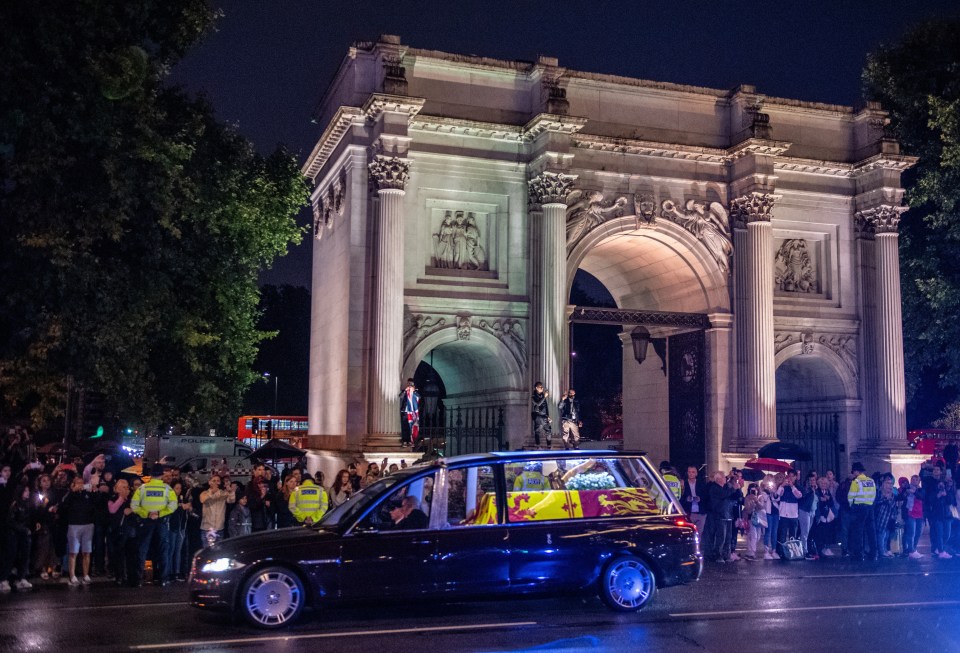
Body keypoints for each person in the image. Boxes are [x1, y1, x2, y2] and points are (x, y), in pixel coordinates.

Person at [131, 464, 178, 586]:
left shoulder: (142, 488)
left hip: (146, 521)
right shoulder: (167, 489)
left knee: (142, 549)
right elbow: (173, 505)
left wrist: (146, 514)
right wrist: (160, 513)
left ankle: (138, 580)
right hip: (162, 521)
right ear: (162, 475)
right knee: (163, 549)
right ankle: (163, 578)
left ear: (150, 475)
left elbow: (134, 505)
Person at [58, 475, 97, 585]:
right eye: (78, 483)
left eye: (82, 483)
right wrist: (72, 492)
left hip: (88, 524)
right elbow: (63, 505)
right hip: (74, 525)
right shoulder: (70, 494)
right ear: (73, 484)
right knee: (73, 552)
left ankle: (85, 575)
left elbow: (95, 505)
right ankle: (72, 575)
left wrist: (94, 491)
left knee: (87, 551)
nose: (80, 485)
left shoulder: (87, 494)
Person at [0, 480, 34, 591]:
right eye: (25, 491)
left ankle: (21, 578)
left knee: (25, 556)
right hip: (13, 533)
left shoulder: (28, 504)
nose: (28, 492)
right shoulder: (15, 504)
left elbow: (29, 519)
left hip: (24, 534)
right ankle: (3, 580)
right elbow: (10, 521)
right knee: (10, 556)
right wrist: (23, 529)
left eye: (28, 490)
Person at [847, 462, 877, 561]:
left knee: (858, 531)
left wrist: (852, 505)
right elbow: (873, 494)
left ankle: (859, 554)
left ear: (856, 471)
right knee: (871, 531)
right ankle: (873, 553)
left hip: (859, 508)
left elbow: (851, 496)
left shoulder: (856, 482)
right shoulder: (871, 481)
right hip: (869, 507)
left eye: (853, 472)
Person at [199, 474, 236, 546]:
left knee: (218, 553)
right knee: (208, 552)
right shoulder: (204, 493)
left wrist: (231, 492)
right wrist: (213, 492)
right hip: (207, 528)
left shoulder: (223, 493)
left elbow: (231, 500)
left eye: (218, 481)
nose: (216, 483)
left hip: (219, 528)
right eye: (214, 481)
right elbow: (203, 500)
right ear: (209, 482)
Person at [775, 469, 802, 558]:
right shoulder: (783, 487)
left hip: (793, 514)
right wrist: (782, 485)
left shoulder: (797, 486)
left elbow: (799, 495)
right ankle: (781, 552)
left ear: (795, 477)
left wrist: (792, 486)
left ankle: (792, 552)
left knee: (792, 535)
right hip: (783, 514)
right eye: (789, 476)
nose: (790, 478)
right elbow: (778, 495)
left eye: (792, 476)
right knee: (782, 534)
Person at [742, 482, 768, 561]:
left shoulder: (760, 497)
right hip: (751, 518)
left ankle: (750, 551)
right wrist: (752, 502)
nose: (754, 490)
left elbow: (762, 507)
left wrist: (757, 501)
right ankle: (752, 553)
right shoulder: (747, 498)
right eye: (752, 489)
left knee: (758, 536)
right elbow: (748, 510)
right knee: (753, 535)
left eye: (756, 489)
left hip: (759, 519)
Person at [873, 475, 898, 558]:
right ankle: (881, 551)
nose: (889, 485)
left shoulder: (892, 494)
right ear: (883, 484)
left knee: (886, 535)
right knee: (881, 535)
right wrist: (885, 499)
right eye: (887, 483)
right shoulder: (879, 493)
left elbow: (893, 506)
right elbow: (876, 503)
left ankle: (885, 549)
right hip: (880, 517)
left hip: (889, 518)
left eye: (891, 483)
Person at [680, 465, 707, 532]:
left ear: (696, 473)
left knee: (699, 533)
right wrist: (686, 499)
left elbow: (706, 496)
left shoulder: (701, 484)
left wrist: (700, 498)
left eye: (693, 472)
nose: (691, 474)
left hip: (700, 512)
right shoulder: (684, 484)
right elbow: (680, 497)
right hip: (689, 512)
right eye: (689, 472)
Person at [903, 474, 924, 559]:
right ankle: (911, 550)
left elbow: (922, 497)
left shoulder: (921, 490)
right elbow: (901, 497)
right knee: (911, 532)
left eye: (916, 479)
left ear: (919, 481)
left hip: (920, 514)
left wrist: (914, 492)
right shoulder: (907, 489)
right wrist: (906, 492)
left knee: (918, 533)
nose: (914, 481)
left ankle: (914, 549)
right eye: (912, 479)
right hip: (910, 513)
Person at [399, 379, 420, 448]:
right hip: (405, 412)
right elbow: (400, 396)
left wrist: (413, 392)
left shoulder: (415, 392)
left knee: (411, 427)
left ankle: (411, 441)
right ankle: (405, 441)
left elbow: (419, 397)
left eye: (411, 384)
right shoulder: (404, 392)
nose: (410, 385)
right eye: (409, 384)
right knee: (405, 427)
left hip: (413, 413)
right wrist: (405, 391)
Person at [531, 382, 552, 450]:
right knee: (537, 431)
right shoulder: (533, 396)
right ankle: (538, 445)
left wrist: (548, 416)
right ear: (536, 388)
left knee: (548, 430)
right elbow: (538, 404)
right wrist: (544, 397)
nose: (542, 388)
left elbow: (546, 407)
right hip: (538, 416)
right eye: (540, 387)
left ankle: (549, 445)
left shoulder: (542, 395)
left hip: (544, 416)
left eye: (542, 387)